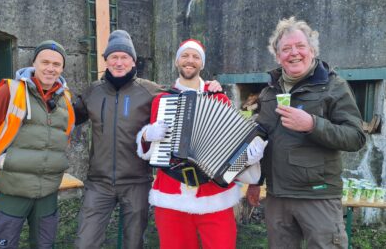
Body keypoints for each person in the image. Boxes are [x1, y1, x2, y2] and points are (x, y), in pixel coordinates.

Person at [74, 30, 222, 249]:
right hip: (99, 183)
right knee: (84, 242)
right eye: (114, 57)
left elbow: (185, 95)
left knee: (134, 243)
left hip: (136, 182)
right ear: (106, 60)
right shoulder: (92, 92)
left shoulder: (150, 90)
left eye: (124, 57)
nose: (119, 62)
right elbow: (66, 116)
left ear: (133, 61)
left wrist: (208, 87)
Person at [246, 17, 366, 248]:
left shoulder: (334, 86)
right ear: (278, 56)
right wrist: (255, 181)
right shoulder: (269, 92)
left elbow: (355, 137)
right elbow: (262, 142)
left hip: (317, 195)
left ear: (312, 50)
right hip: (278, 196)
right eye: (286, 49)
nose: (294, 53)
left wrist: (313, 124)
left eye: (300, 46)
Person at [136, 39, 267, 249]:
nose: (190, 61)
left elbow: (232, 146)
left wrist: (248, 156)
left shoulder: (219, 98)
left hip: (214, 193)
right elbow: (150, 150)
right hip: (172, 193)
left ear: (202, 64)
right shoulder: (162, 101)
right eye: (185, 56)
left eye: (196, 57)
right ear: (177, 61)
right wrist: (146, 137)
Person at [0, 40, 75, 248]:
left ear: (62, 68)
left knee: (45, 245)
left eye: (56, 64)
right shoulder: (11, 90)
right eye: (45, 62)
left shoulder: (66, 99)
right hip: (13, 189)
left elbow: (65, 138)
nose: (50, 68)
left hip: (47, 192)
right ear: (34, 63)